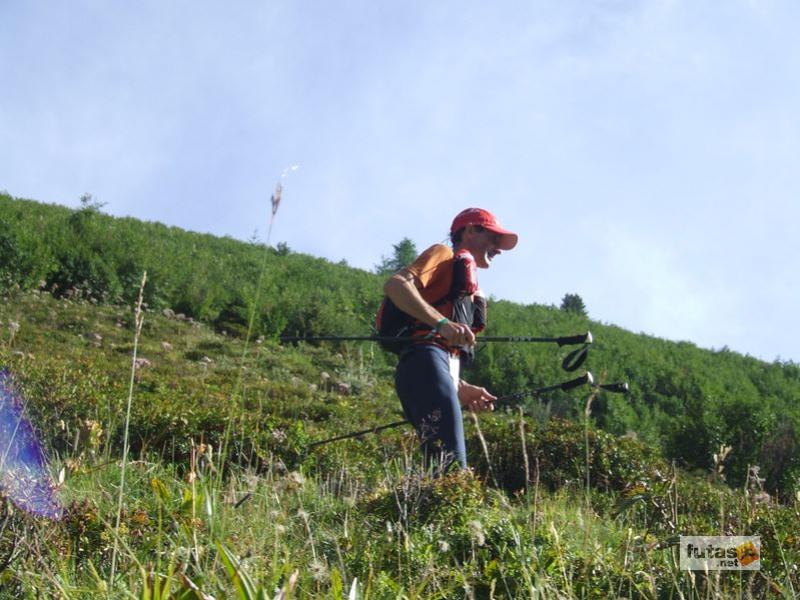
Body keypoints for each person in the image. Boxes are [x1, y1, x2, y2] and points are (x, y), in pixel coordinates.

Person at [383, 208, 518, 472]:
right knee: (451, 469)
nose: (498, 249)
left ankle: (427, 508)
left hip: (432, 366)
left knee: (443, 467)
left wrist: (459, 387)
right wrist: (441, 323)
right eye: (493, 238)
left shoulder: (467, 286)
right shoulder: (443, 254)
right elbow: (396, 285)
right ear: (469, 231)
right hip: (423, 361)